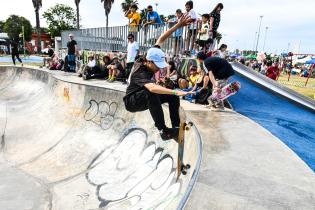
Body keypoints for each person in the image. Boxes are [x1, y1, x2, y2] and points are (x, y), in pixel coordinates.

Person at [123, 14, 192, 141]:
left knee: (173, 97)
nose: (159, 68)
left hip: (142, 96)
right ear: (149, 62)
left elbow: (161, 38)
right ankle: (163, 131)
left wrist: (178, 25)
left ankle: (176, 128)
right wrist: (176, 90)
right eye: (157, 66)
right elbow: (152, 88)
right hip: (131, 101)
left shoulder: (150, 54)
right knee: (152, 91)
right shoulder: (140, 71)